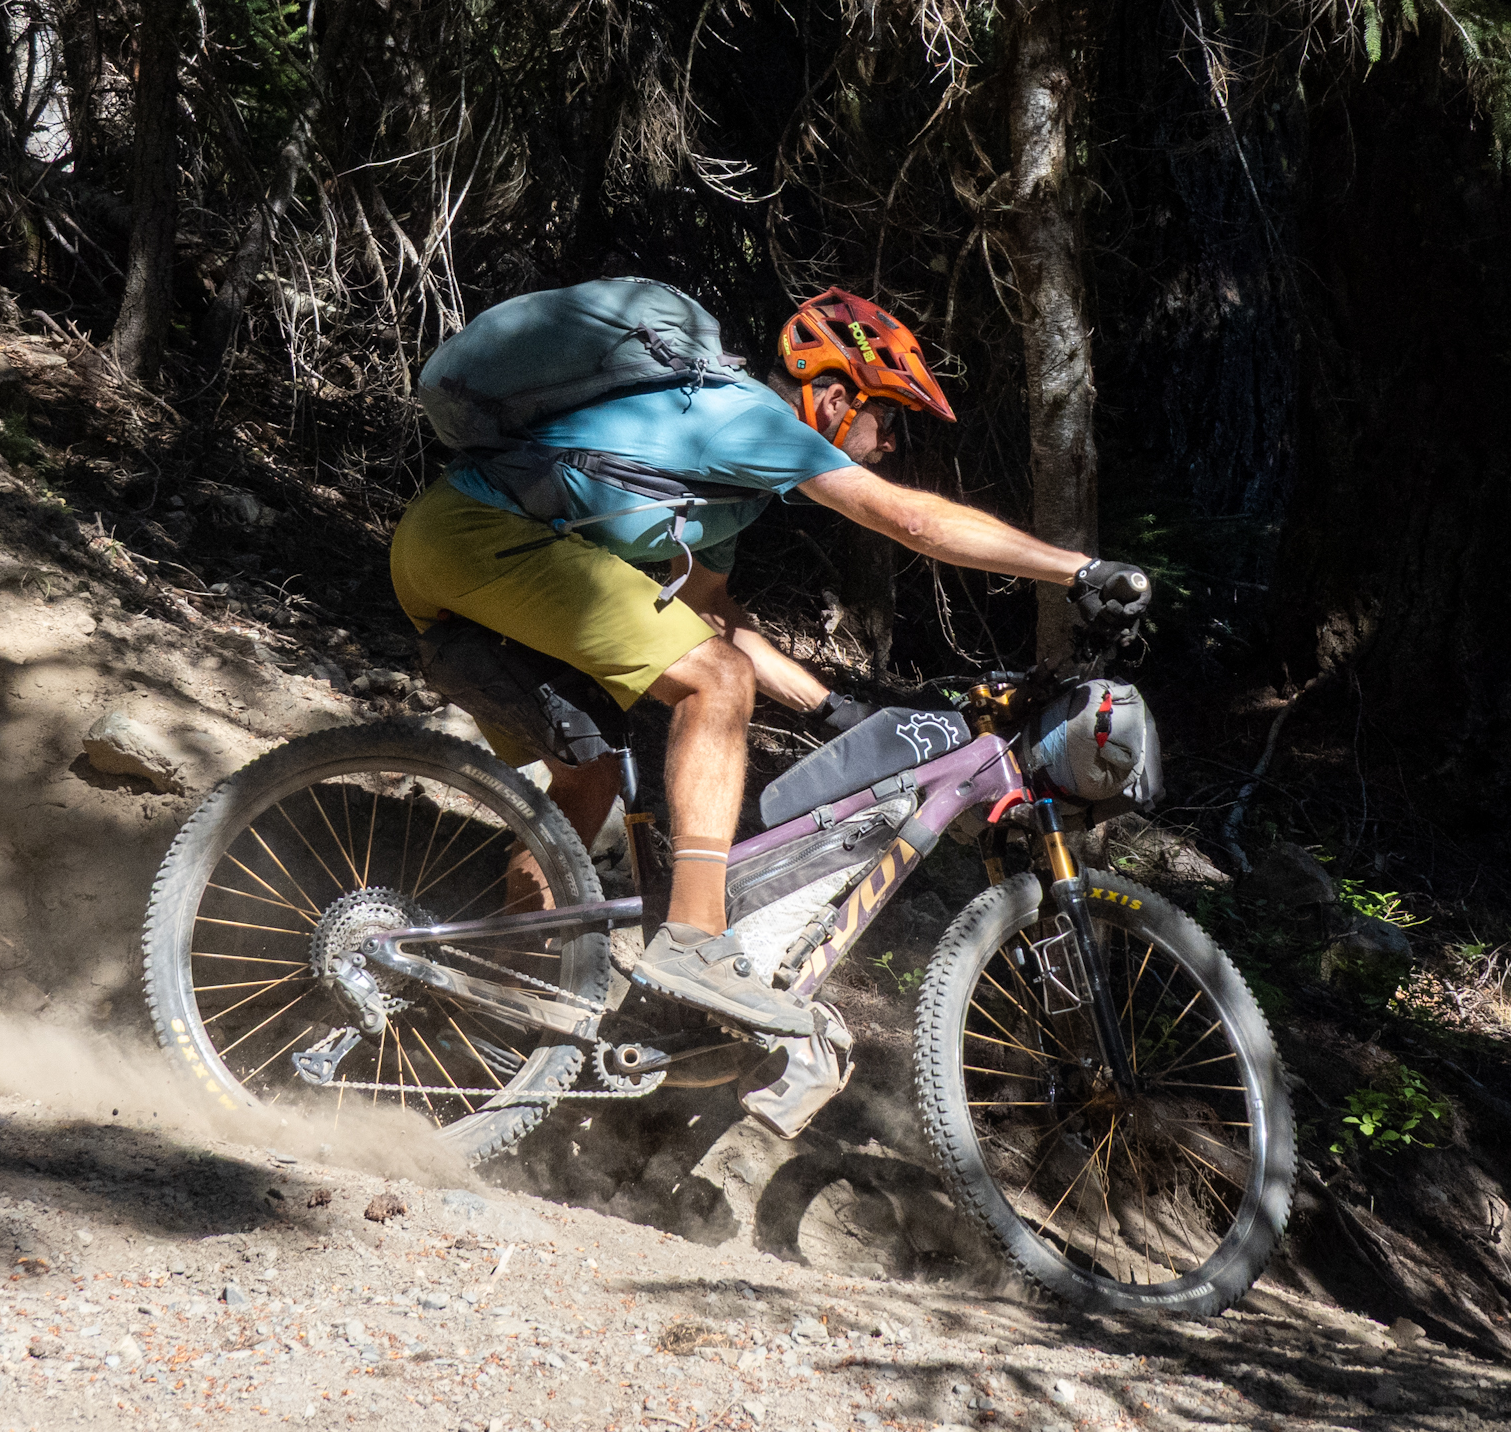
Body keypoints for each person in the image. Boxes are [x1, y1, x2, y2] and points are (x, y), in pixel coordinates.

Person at [389, 280, 1149, 1037]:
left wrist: (834, 709)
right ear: (830, 394)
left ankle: (499, 993)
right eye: (888, 419)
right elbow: (909, 518)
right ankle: (694, 940)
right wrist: (1076, 570)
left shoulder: (728, 493)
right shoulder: (744, 414)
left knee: (586, 783)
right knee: (714, 683)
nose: (889, 445)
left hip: (446, 549)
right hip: (476, 537)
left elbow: (712, 613)